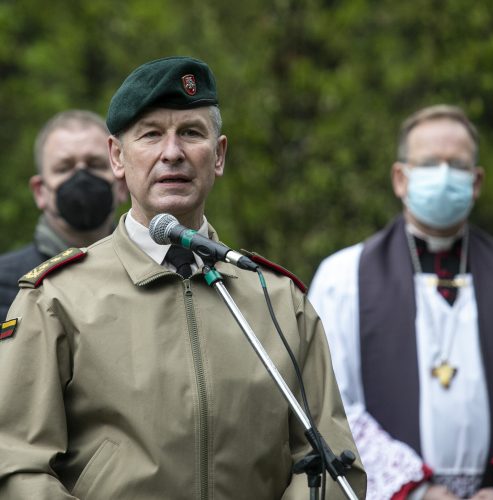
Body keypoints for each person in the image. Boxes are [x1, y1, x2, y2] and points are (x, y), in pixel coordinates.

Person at [0, 56, 366, 499]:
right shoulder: (57, 299)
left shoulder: (277, 299)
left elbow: (331, 465)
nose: (171, 152)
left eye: (191, 133)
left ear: (219, 155)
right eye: (151, 134)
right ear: (117, 157)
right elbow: (18, 466)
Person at [309, 105, 493, 500]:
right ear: (400, 178)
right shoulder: (343, 277)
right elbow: (327, 402)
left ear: (477, 182)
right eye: (430, 163)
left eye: (457, 165)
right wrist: (417, 490)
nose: (444, 176)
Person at [0, 109, 129, 319]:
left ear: (122, 184)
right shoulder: (5, 285)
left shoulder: (148, 275)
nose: (82, 177)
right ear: (40, 191)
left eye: (95, 165)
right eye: (64, 168)